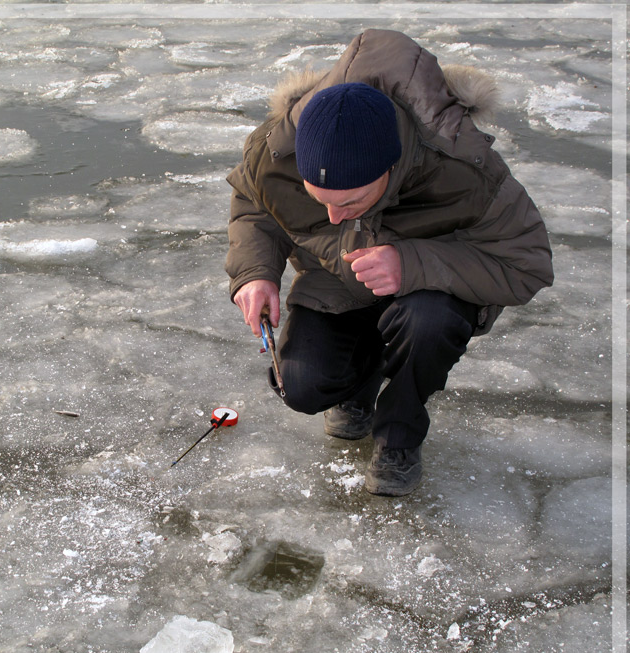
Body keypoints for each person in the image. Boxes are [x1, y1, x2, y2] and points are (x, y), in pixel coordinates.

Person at [224, 29, 554, 496]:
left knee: (426, 323)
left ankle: (400, 436)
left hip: (428, 297)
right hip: (336, 284)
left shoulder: (465, 169)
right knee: (300, 386)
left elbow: (528, 266)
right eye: (322, 203)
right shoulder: (276, 150)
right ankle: (359, 387)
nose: (334, 216)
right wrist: (254, 273)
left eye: (352, 201)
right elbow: (255, 205)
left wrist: (413, 263)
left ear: (390, 166)